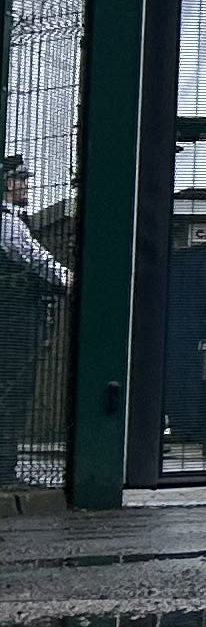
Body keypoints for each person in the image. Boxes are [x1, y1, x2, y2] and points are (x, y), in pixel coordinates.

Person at [0, 157, 66, 487]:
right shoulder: (7, 223)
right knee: (12, 392)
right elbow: (36, 259)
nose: (26, 185)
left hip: (14, 319)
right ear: (8, 183)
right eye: (21, 179)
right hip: (13, 322)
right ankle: (3, 471)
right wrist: (70, 281)